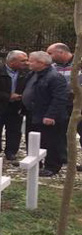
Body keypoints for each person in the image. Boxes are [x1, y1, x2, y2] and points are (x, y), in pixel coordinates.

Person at [22, 51, 69, 176]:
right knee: (32, 139)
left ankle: (52, 167)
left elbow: (59, 98)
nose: (28, 63)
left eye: (31, 61)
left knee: (51, 141)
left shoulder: (55, 77)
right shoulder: (33, 74)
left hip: (47, 115)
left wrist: (50, 115)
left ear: (41, 63)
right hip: (33, 113)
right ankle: (35, 163)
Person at [47, 42, 81, 170]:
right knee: (59, 133)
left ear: (61, 52)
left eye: (50, 53)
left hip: (78, 104)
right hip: (61, 104)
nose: (48, 55)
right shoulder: (52, 66)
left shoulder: (79, 63)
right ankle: (61, 160)